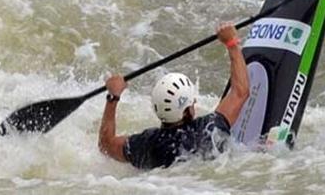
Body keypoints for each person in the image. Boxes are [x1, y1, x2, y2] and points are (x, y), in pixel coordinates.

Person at [98, 22, 249, 169]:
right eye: (192, 102)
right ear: (187, 109)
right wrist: (231, 43)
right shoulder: (208, 129)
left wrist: (113, 97)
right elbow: (241, 92)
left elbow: (106, 145)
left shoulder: (145, 144)